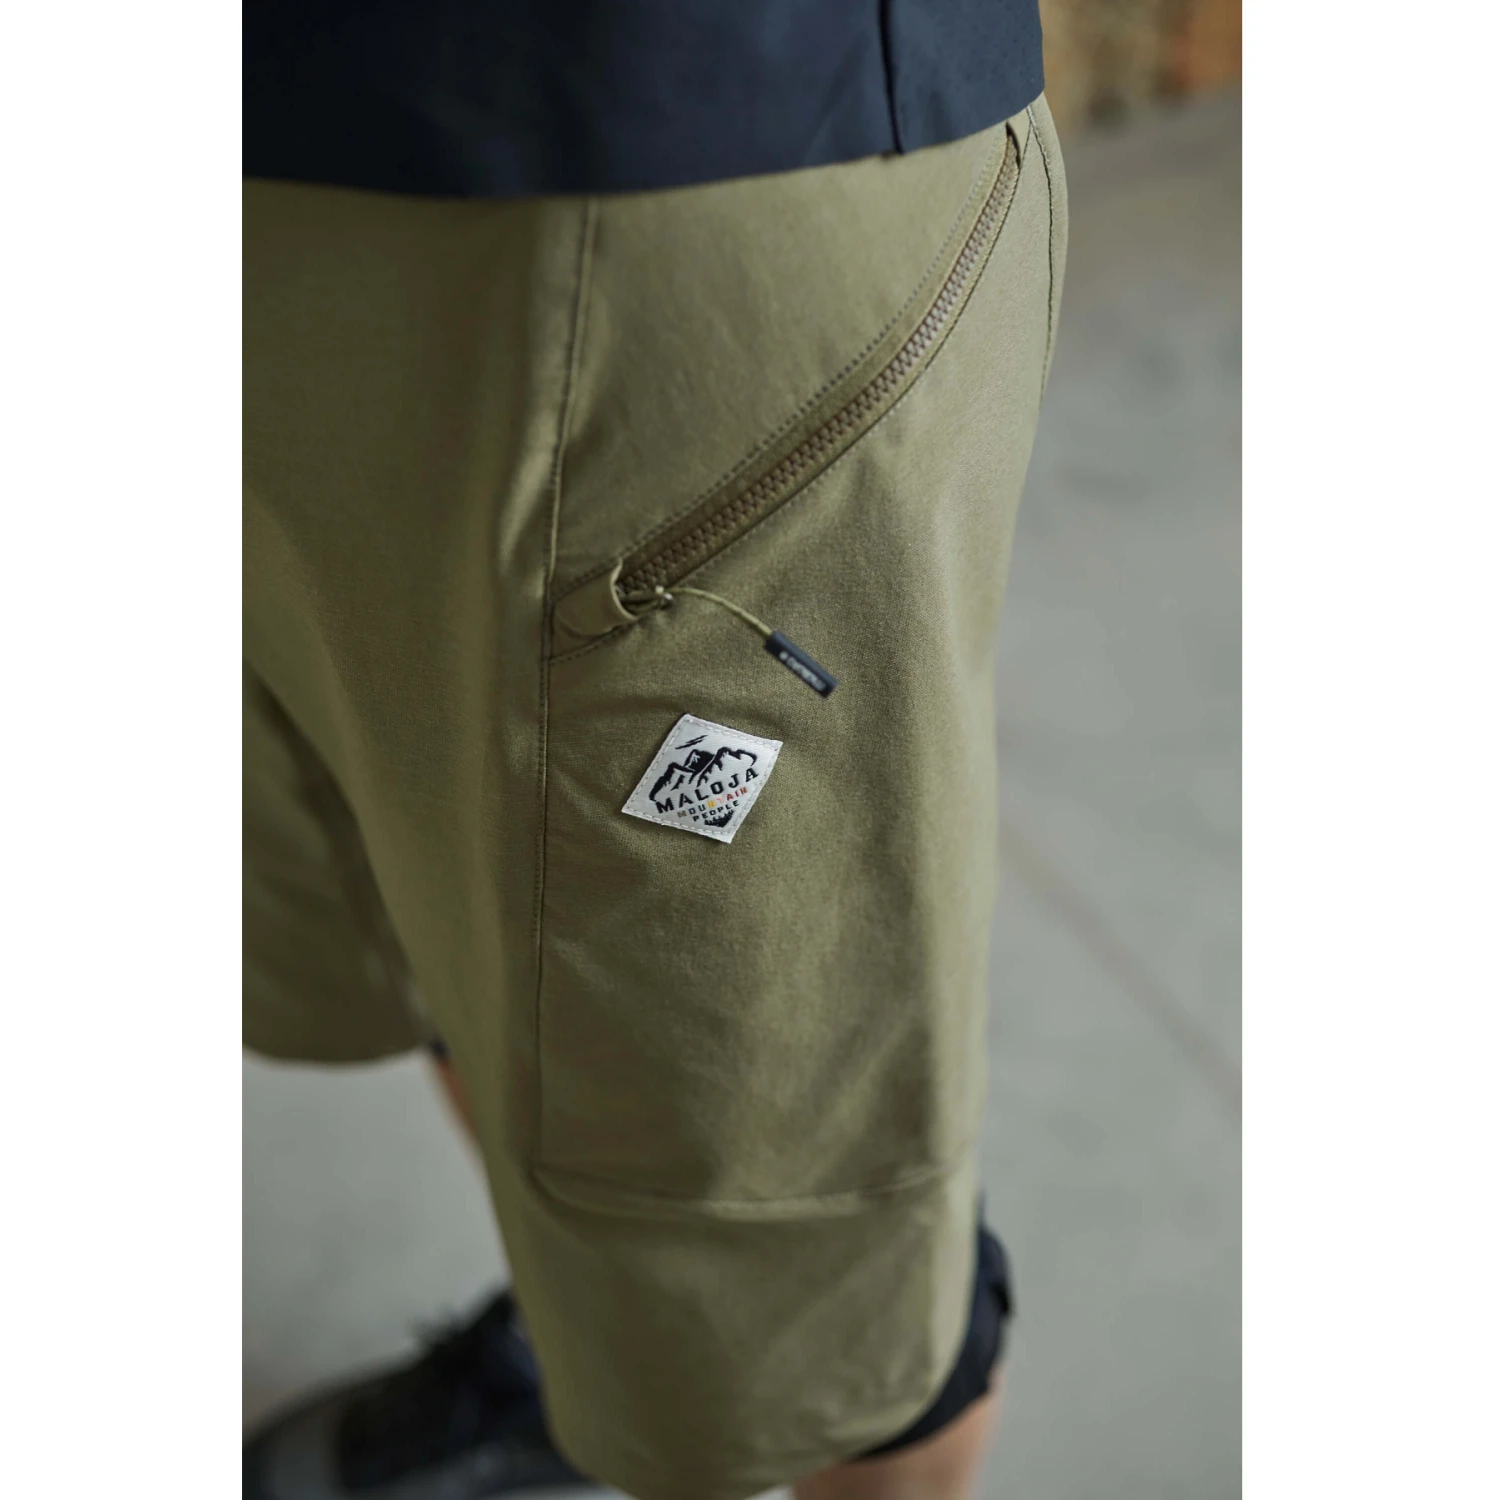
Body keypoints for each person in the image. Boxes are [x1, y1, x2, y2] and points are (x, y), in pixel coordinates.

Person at [242, 3, 1067, 1497]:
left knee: (803, 1214)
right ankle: (590, 1325)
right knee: (476, 925)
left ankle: (713, 1356)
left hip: (654, 173)